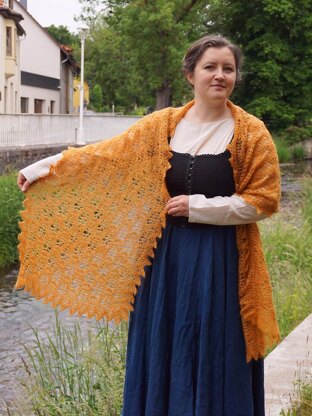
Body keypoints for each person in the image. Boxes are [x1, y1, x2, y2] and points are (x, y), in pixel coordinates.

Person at [17, 34, 280, 416]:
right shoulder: (163, 125)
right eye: (210, 67)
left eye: (228, 68)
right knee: (167, 345)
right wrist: (46, 167)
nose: (220, 75)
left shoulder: (251, 132)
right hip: (165, 262)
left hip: (221, 264)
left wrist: (199, 207)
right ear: (191, 74)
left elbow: (264, 201)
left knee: (215, 347)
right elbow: (105, 156)